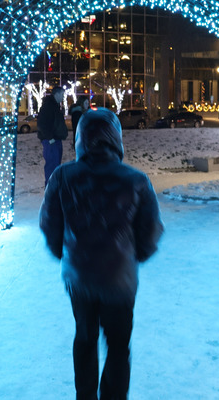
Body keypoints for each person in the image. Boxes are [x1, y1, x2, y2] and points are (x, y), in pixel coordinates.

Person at [39, 108, 164, 400]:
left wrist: (65, 254)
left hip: (79, 276)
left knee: (85, 337)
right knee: (119, 345)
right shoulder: (136, 180)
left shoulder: (62, 177)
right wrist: (134, 257)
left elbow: (49, 224)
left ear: (81, 138)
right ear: (116, 138)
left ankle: (85, 396)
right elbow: (151, 231)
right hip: (119, 279)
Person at [37, 86, 68, 186]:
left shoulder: (54, 105)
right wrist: (50, 138)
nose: (63, 97)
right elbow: (42, 123)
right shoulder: (49, 106)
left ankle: (54, 188)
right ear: (57, 94)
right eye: (62, 95)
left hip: (55, 139)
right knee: (52, 166)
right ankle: (51, 189)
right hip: (51, 141)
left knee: (55, 166)